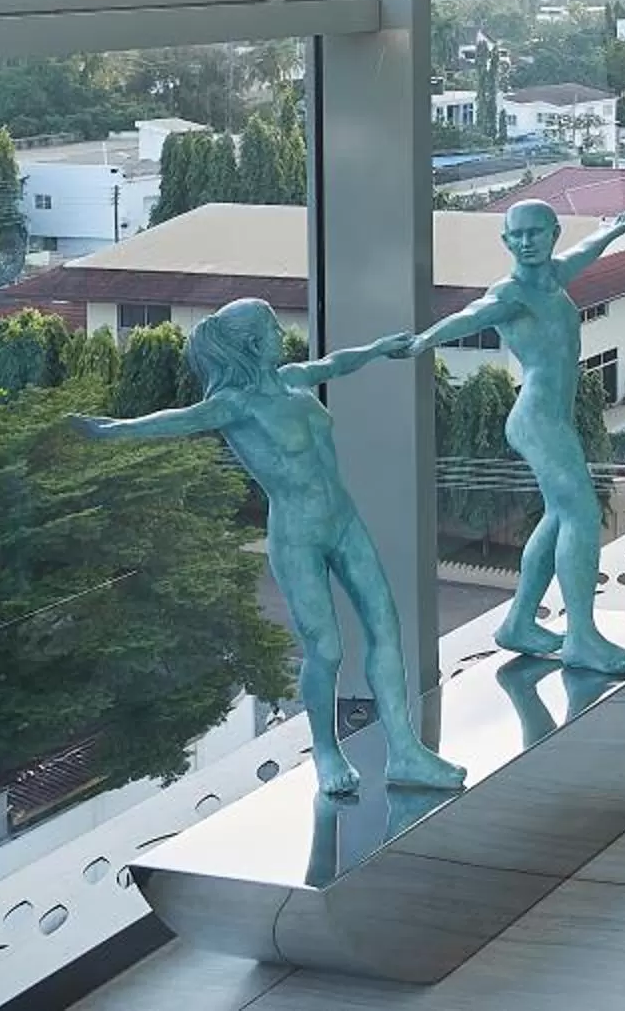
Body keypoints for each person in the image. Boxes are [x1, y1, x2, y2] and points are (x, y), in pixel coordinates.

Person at [74, 300, 464, 800]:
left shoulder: (293, 378)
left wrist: (379, 349)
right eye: (273, 329)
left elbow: (336, 363)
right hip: (298, 536)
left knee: (386, 627)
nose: (283, 334)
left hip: (345, 521)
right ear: (253, 343)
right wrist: (112, 430)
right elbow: (176, 420)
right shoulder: (235, 404)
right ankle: (326, 752)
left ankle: (405, 751)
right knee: (326, 649)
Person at [403, 202, 625, 675]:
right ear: (505, 240)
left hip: (554, 418)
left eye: (536, 232)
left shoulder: (554, 274)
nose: (526, 241)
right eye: (517, 235)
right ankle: (581, 638)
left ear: (553, 234)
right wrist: (423, 340)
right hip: (536, 420)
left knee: (559, 515)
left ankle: (518, 623)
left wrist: (612, 232)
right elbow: (469, 317)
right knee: (580, 514)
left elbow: (586, 249)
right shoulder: (510, 294)